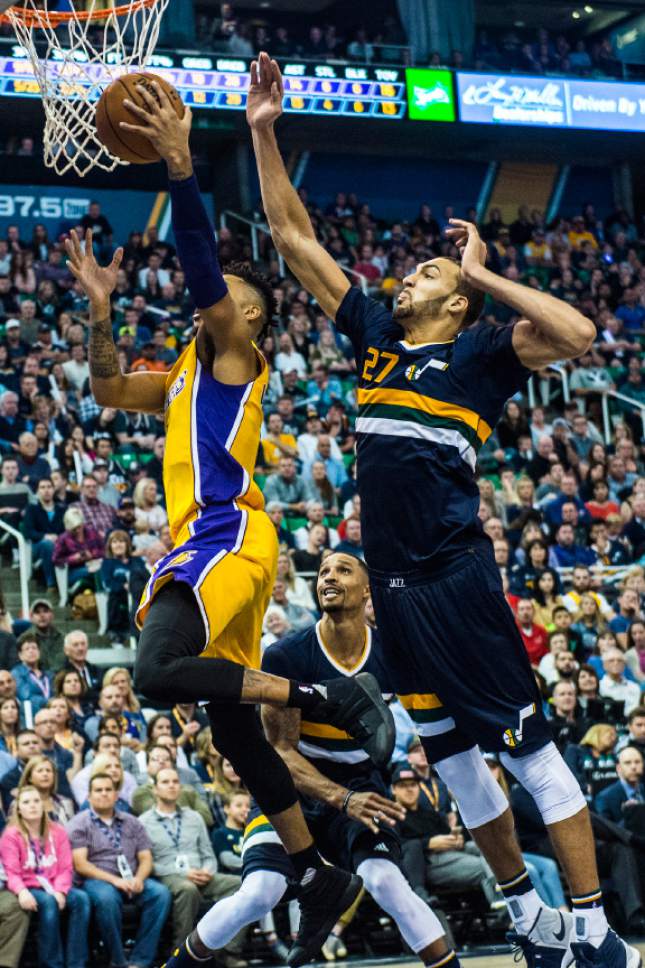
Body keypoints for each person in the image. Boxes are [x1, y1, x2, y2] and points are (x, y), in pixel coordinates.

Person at [247, 52, 637, 968]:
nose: (405, 279)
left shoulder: (484, 352)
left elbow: (580, 335)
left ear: (454, 302)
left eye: (424, 273)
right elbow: (296, 241)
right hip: (395, 591)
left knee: (530, 749)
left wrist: (480, 271)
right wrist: (264, 132)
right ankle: (527, 916)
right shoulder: (379, 342)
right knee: (457, 765)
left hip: (455, 577)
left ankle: (591, 928)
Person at [67, 82, 395, 967]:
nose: (221, 303)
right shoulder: (182, 372)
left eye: (237, 297)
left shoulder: (234, 354)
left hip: (225, 536)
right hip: (213, 544)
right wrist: (100, 307)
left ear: (251, 319)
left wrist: (180, 166)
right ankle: (311, 867)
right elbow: (103, 389)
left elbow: (209, 281)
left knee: (156, 670)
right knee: (230, 723)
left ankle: (321, 695)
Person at [167, 552, 459, 968]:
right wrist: (341, 798)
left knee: (386, 881)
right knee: (261, 891)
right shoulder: (288, 655)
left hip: (361, 782)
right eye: (323, 572)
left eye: (343, 570)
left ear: (367, 589)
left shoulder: (393, 653)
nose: (329, 577)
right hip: (295, 787)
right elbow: (281, 752)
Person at [140, 766, 248, 956]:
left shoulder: (194, 817)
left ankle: (228, 951)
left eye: (175, 782)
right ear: (155, 789)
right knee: (187, 889)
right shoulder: (143, 821)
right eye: (165, 782)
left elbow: (207, 853)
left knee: (242, 885)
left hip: (202, 873)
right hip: (169, 875)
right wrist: (184, 873)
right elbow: (149, 863)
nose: (172, 786)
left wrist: (208, 871)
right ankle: (181, 953)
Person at [67, 772, 172, 968]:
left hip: (132, 877)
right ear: (89, 796)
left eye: (109, 790)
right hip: (97, 880)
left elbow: (145, 857)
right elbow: (80, 864)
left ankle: (141, 960)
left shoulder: (132, 821)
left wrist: (140, 878)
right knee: (106, 899)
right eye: (98, 790)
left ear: (117, 795)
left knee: (161, 894)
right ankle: (118, 960)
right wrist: (115, 881)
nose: (104, 794)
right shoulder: (79, 823)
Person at [0, 785, 90, 968]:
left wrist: (61, 891)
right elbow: (11, 872)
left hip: (55, 884)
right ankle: (51, 963)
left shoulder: (58, 831)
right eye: (26, 802)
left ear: (43, 805)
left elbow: (66, 867)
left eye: (36, 801)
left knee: (81, 899)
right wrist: (22, 892)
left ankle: (76, 963)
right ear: (18, 809)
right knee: (48, 903)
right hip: (29, 886)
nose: (32, 806)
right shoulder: (11, 835)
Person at [18, 754, 75, 826]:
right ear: (30, 778)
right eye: (40, 771)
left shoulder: (65, 803)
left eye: (48, 770)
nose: (45, 774)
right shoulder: (19, 803)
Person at [595, 747, 645, 824]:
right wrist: (629, 816)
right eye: (628, 763)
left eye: (637, 762)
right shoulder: (605, 798)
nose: (634, 767)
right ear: (618, 768)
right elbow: (606, 833)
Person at [11, 635, 52, 715]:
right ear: (20, 655)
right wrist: (50, 702)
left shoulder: (49, 674)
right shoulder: (17, 673)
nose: (31, 651)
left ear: (39, 652)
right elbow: (26, 696)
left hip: (52, 713)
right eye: (27, 649)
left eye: (34, 648)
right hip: (30, 715)